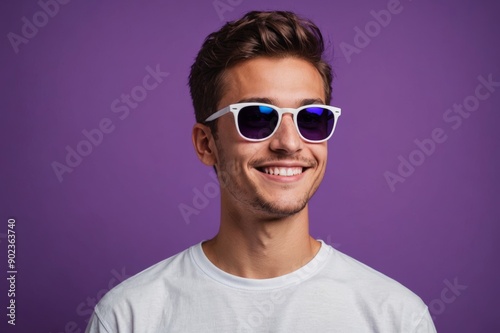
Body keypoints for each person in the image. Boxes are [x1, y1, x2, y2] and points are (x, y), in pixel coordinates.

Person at [86, 10, 436, 332]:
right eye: (256, 117)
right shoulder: (130, 316)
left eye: (311, 119)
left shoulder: (397, 317)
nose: (289, 143)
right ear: (206, 144)